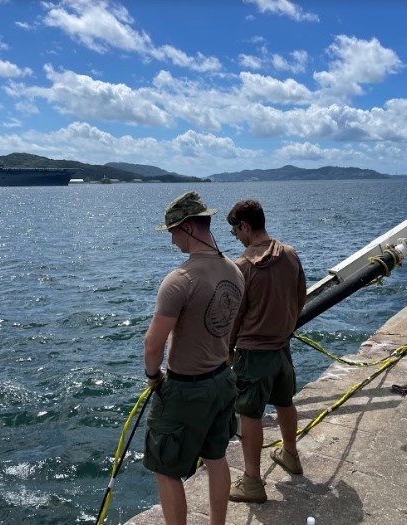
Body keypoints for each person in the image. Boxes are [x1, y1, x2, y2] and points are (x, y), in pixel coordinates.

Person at [143, 191, 245, 525]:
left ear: (187, 227)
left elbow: (152, 344)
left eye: (172, 230)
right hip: (222, 381)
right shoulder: (234, 270)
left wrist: (154, 378)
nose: (171, 239)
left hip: (187, 389)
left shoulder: (179, 279)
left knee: (165, 467)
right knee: (216, 457)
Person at [225, 199, 307, 504]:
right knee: (285, 401)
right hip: (282, 347)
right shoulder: (290, 254)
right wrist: (285, 327)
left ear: (245, 226)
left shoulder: (241, 267)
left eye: (235, 231)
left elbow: (234, 316)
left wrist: (227, 351)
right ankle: (290, 454)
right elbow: (301, 297)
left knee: (249, 414)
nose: (236, 237)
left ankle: (252, 482)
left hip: (252, 352)